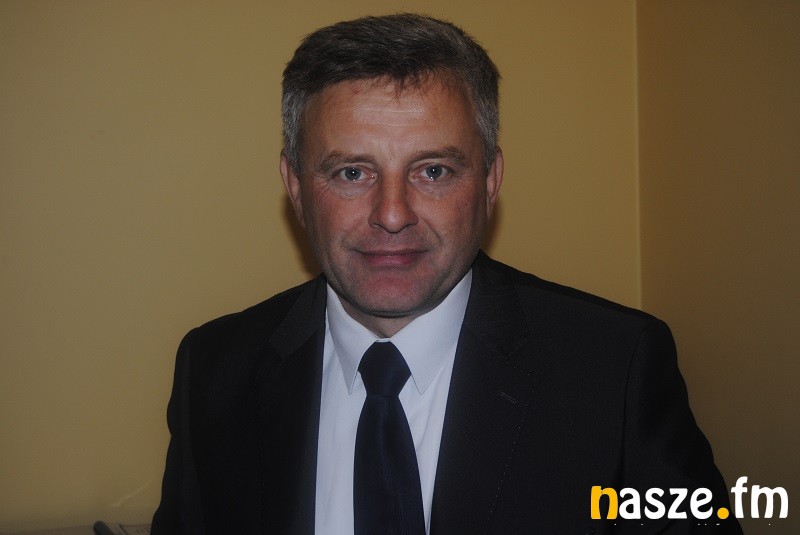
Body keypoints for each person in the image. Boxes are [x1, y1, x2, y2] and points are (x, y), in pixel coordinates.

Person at [152, 13, 741, 534]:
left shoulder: (615, 372)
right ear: (296, 187)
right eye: (352, 173)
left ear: (489, 181)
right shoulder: (214, 372)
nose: (392, 214)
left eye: (432, 170)